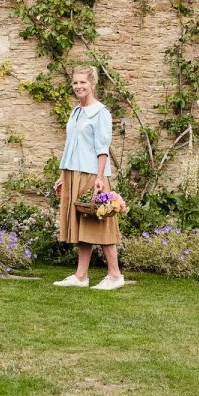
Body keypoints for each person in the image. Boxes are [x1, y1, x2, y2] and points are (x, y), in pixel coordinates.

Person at [52, 65, 125, 290]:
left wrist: (100, 177)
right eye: (75, 82)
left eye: (83, 82)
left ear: (92, 84)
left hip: (93, 175)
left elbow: (102, 148)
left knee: (101, 224)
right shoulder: (76, 111)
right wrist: (63, 175)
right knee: (83, 224)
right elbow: (71, 145)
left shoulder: (100, 112)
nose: (78, 86)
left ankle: (115, 276)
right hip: (74, 173)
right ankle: (81, 276)